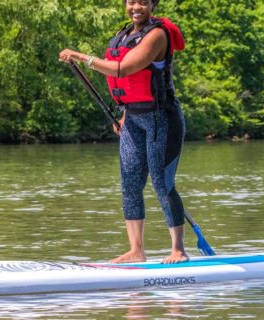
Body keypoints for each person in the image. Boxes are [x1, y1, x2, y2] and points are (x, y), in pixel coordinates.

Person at [59, 0, 188, 264]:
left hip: (161, 118)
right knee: (130, 185)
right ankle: (136, 250)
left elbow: (124, 69)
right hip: (133, 119)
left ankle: (178, 249)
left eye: (142, 1)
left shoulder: (157, 35)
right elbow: (128, 84)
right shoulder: (123, 35)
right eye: (131, 1)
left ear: (153, 4)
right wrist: (125, 114)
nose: (136, 6)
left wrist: (83, 57)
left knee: (162, 184)